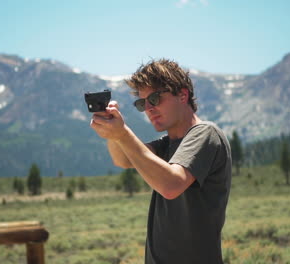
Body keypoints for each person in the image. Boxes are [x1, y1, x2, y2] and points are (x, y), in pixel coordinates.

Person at [90, 58, 232, 264]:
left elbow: (171, 185)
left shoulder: (206, 133)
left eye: (155, 99)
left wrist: (122, 135)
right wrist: (112, 131)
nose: (148, 108)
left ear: (183, 95)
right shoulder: (167, 144)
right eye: (142, 103)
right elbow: (122, 159)